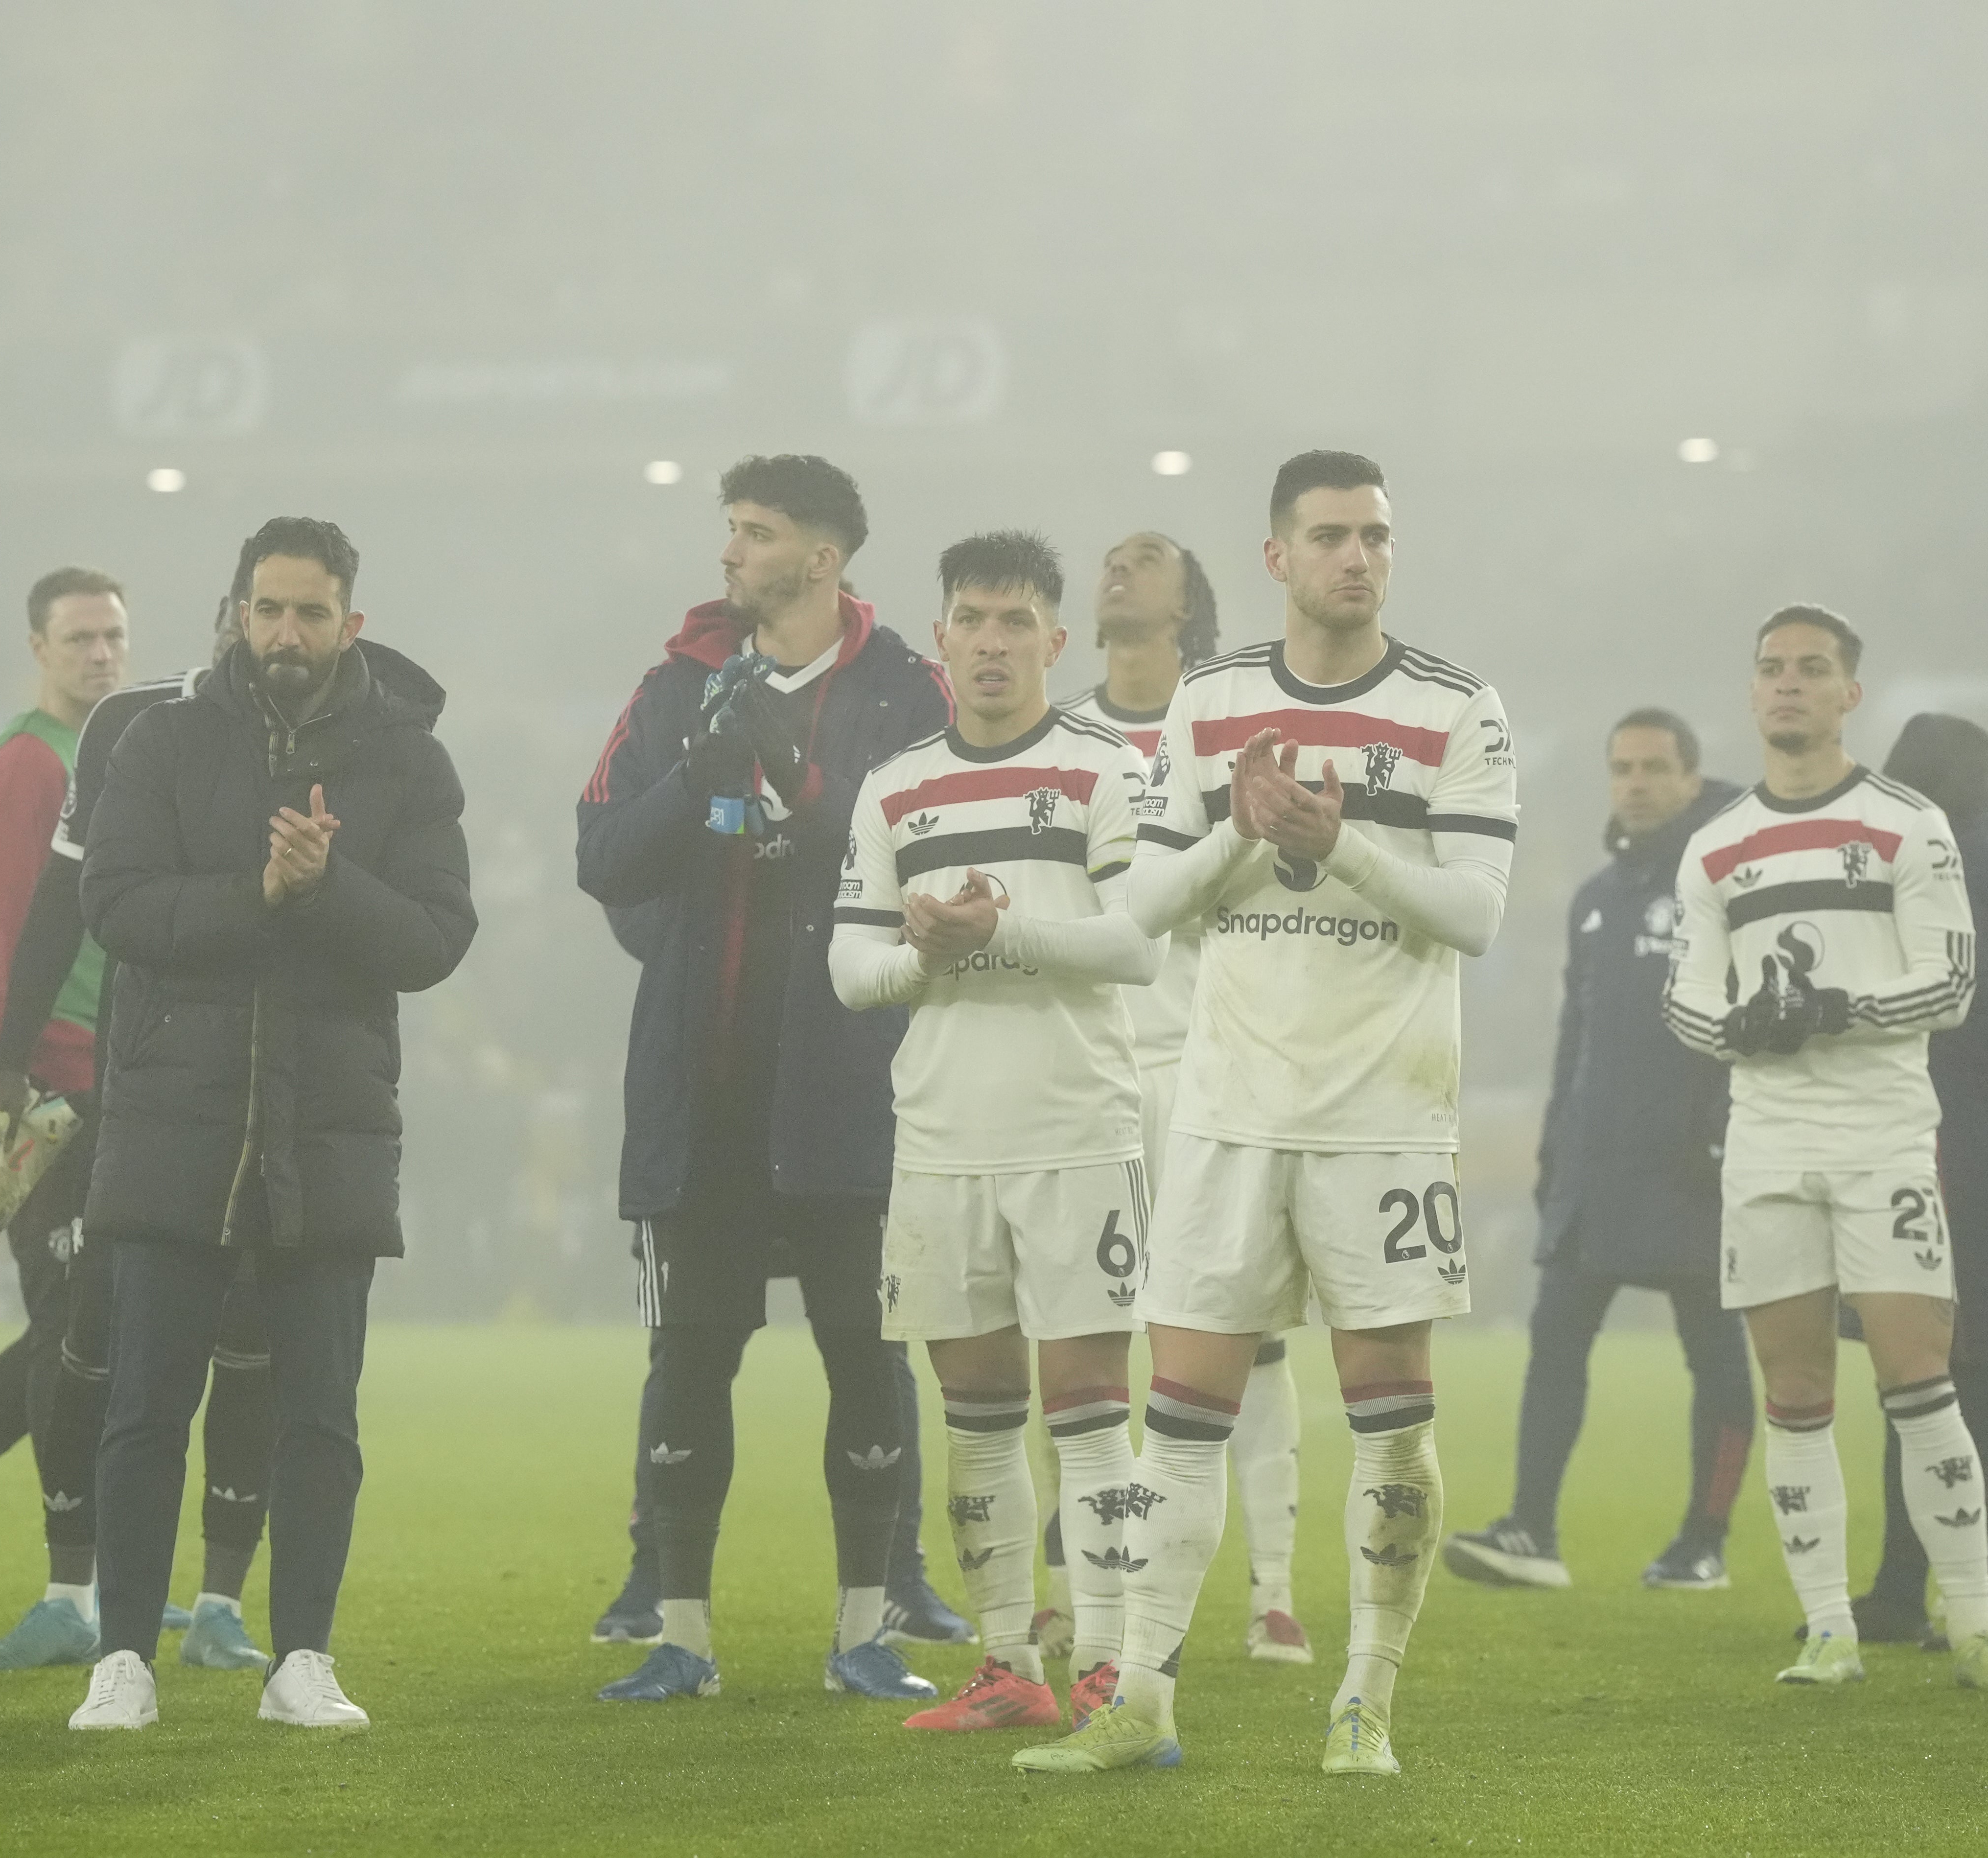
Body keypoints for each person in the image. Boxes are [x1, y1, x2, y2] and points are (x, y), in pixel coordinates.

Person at [1019, 450, 1517, 1780]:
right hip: (1229, 1107)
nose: (1355, 556)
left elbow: (1477, 912)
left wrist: (1334, 837)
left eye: (1373, 536)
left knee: (1390, 1420)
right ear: (1274, 557)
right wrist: (1250, 832)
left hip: (1382, 1118)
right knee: (1178, 1409)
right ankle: (1140, 1700)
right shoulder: (1212, 699)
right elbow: (1142, 907)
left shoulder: (1454, 707)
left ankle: (1364, 1700)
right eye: (1328, 535)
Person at [65, 517, 474, 1732]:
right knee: (144, 1407)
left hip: (331, 1122)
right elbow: (113, 906)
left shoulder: (407, 758)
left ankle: (301, 1659)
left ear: (351, 621)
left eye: (310, 613)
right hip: (172, 1115)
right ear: (237, 612)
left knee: (321, 1415)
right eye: (268, 610)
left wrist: (328, 885)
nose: (286, 634)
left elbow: (438, 937)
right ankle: (122, 1658)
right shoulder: (161, 739)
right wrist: (261, 891)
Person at [577, 455, 953, 1705]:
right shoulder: (675, 682)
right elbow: (602, 856)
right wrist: (699, 770)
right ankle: (681, 1634)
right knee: (691, 1357)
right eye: (729, 528)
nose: (730, 552)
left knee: (864, 1351)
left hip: (851, 1086)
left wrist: (797, 772)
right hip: (707, 1089)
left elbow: (935, 853)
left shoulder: (907, 689)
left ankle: (865, 1631)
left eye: (756, 532)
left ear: (823, 558)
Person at [0, 568, 265, 1670]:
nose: (102, 654)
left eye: (116, 634)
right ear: (37, 646)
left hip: (112, 1076)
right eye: (79, 636)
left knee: (96, 1326)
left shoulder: (122, 749)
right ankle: (61, 1584)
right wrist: (2, 1078)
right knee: (79, 1331)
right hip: (47, 1083)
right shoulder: (26, 766)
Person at [1663, 606, 1988, 1692]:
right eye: (1773, 669)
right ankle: (1830, 1626)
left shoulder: (1907, 821)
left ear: (1849, 695)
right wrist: (1737, 1024)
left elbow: (1951, 984)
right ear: (1753, 693)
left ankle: (1974, 1623)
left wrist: (1830, 1007)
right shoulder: (1715, 845)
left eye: (1812, 669)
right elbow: (1686, 996)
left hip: (1881, 1136)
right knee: (1793, 1387)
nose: (1790, 684)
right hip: (1768, 1143)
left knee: (1921, 1379)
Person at [831, 532, 1159, 1733]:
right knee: (972, 1404)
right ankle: (1010, 1664)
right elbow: (847, 965)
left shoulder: (1106, 766)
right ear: (943, 637)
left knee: (1084, 1398)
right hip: (941, 1139)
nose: (991, 640)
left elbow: (1139, 942)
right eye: (971, 618)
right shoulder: (895, 786)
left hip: (1075, 1127)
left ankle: (1113, 1663)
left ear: (1053, 641)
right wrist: (920, 947)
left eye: (1016, 620)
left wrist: (995, 938)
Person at [1060, 531, 1309, 1664]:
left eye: (1146, 557)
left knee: (1243, 1338)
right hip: (1088, 1072)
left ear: (1187, 604)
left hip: (1212, 1063)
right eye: (1110, 557)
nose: (1117, 567)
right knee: (1087, 1339)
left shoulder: (1221, 726)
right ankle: (1088, 1595)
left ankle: (1272, 1592)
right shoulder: (1056, 739)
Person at [1445, 710, 1751, 1592]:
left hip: (1695, 1167)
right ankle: (1530, 1531)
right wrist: (1555, 1150)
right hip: (1596, 1166)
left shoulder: (1723, 882)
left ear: (1693, 780)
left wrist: (1723, 1131)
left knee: (1715, 1351)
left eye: (1656, 766)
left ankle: (1705, 1541)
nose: (1637, 782)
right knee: (1554, 1337)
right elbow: (1575, 1036)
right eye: (1623, 767)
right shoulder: (1595, 898)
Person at [1826, 713, 1988, 1650]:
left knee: (1973, 1373)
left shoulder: (1946, 867)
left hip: (1948, 1141)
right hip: (1957, 1138)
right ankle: (1901, 1587)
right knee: (1913, 1374)